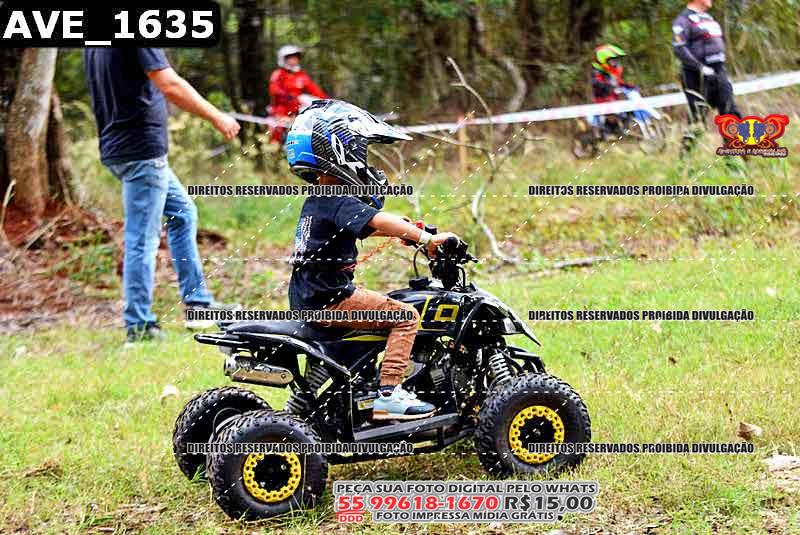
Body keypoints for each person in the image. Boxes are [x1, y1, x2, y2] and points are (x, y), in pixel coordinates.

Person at [285, 99, 460, 421]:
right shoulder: (338, 195)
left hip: (309, 297)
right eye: (361, 152)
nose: (364, 163)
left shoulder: (322, 198)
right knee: (405, 316)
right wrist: (427, 239)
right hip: (331, 299)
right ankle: (389, 394)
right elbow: (378, 219)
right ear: (340, 153)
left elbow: (366, 226)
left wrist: (408, 232)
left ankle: (352, 389)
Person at [84, 48, 241, 343]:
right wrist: (217, 117)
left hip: (119, 148)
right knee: (142, 239)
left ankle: (199, 304)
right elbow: (169, 84)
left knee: (183, 214)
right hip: (142, 150)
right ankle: (139, 326)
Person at [672, 0, 741, 124]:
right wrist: (700, 68)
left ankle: (738, 136)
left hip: (718, 69)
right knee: (698, 115)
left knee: (729, 108)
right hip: (697, 74)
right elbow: (679, 48)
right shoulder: (683, 20)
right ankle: (693, 136)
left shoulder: (708, 17)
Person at [268, 45, 329, 143]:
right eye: (291, 58)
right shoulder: (278, 74)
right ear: (283, 59)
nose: (294, 60)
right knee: (277, 134)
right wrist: (288, 97)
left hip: (297, 110)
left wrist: (327, 101)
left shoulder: (301, 75)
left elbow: (315, 90)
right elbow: (274, 90)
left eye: (296, 57)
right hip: (281, 110)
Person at [589, 44, 637, 135]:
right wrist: (608, 86)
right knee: (613, 115)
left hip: (614, 97)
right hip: (603, 99)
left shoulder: (612, 71)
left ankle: (626, 128)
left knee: (629, 107)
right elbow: (596, 83)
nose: (615, 63)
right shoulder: (597, 72)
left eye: (616, 60)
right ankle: (607, 131)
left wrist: (629, 86)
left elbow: (619, 82)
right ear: (603, 60)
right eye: (613, 60)